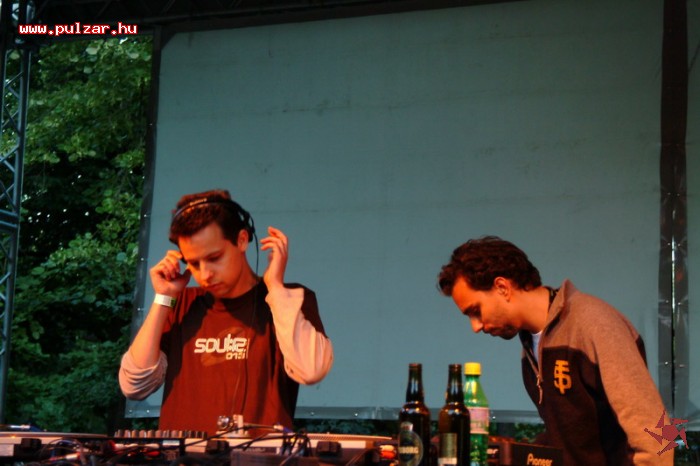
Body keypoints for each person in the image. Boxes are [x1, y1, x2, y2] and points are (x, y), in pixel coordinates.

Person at [437, 236, 673, 466]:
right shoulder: (532, 344)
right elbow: (572, 440)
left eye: (476, 311)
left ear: (502, 287)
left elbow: (656, 433)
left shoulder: (594, 324)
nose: (476, 326)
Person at [119, 189, 333, 434]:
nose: (205, 274)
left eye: (214, 258)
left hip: (258, 454)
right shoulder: (180, 304)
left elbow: (312, 371)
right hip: (183, 454)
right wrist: (164, 297)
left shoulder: (288, 300)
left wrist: (275, 287)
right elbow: (134, 386)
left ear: (242, 240)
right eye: (193, 263)